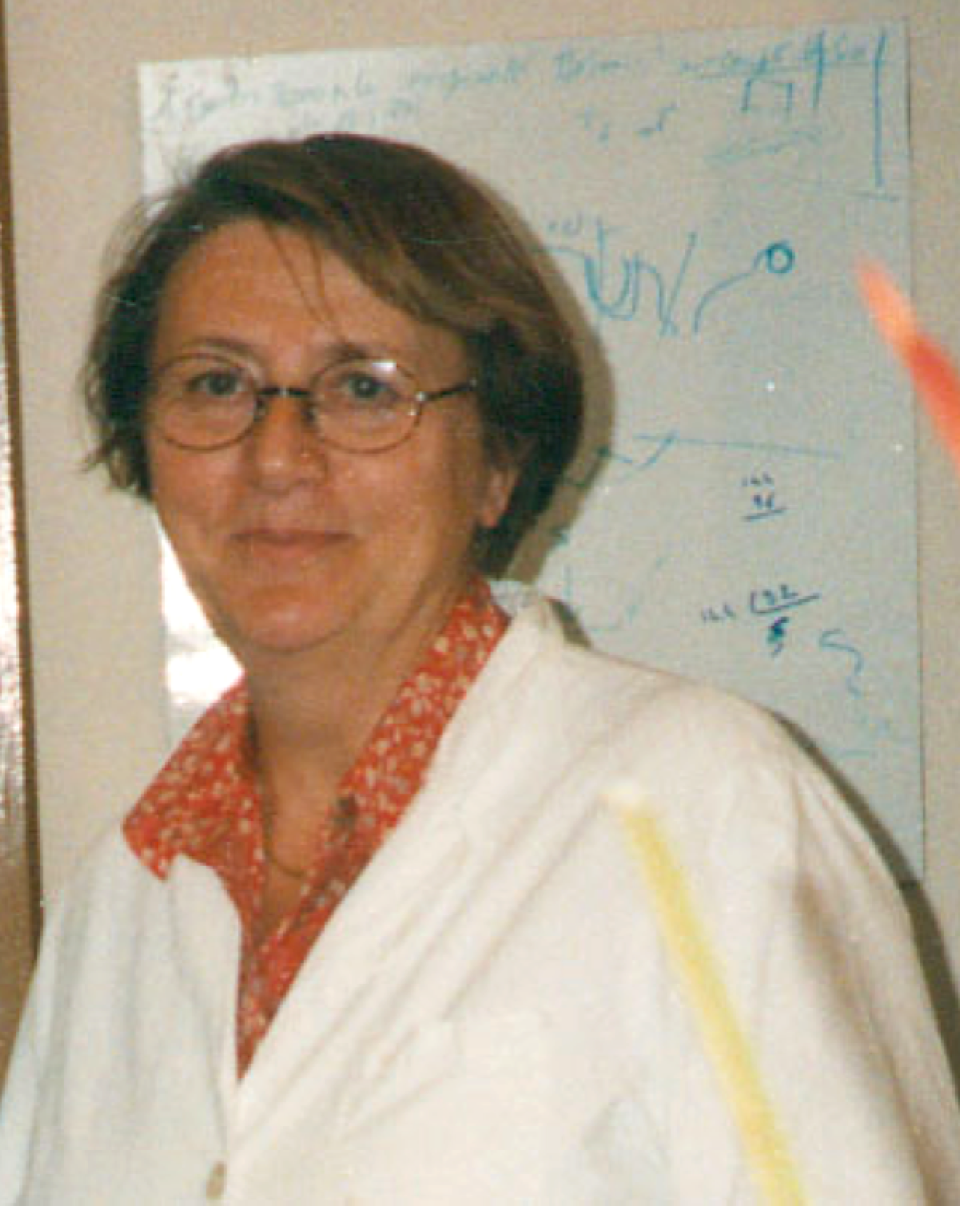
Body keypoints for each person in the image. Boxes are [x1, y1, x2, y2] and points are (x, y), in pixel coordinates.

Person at [0, 133, 957, 1204]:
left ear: (498, 460)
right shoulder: (113, 908)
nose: (277, 457)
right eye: (216, 384)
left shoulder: (712, 805)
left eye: (365, 389)